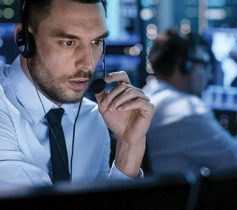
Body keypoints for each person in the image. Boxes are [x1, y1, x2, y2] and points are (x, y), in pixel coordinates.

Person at [0, 0, 154, 187]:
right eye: (69, 42)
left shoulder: (93, 119)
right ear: (23, 39)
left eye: (96, 42)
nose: (88, 64)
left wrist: (130, 146)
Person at [143, 29, 237, 175]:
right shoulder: (185, 110)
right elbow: (235, 159)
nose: (209, 76)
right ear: (185, 65)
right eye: (204, 65)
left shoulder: (147, 95)